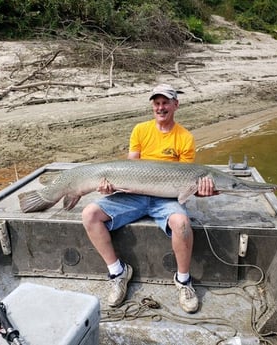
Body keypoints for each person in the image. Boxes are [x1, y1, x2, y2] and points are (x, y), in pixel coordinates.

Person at [82, 84, 214, 313]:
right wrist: (110, 187)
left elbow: (185, 177)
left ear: (176, 105)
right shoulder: (140, 130)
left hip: (166, 198)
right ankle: (117, 271)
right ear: (153, 106)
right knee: (89, 214)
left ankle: (183, 280)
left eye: (165, 103)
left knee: (182, 223)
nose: (161, 107)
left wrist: (198, 190)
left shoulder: (185, 137)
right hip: (135, 194)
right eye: (157, 103)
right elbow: (131, 166)